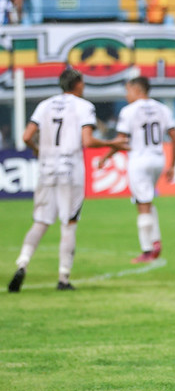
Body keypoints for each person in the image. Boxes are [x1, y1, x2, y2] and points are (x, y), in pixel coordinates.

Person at [8, 68, 125, 292]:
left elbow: (26, 136)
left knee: (40, 221)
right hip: (70, 168)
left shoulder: (45, 105)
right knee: (69, 223)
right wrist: (113, 143)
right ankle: (63, 278)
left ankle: (22, 262)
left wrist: (38, 149)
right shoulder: (83, 106)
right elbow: (88, 141)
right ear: (78, 84)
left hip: (46, 168)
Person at [98, 77, 175, 263]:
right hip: (158, 159)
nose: (126, 95)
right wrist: (173, 164)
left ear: (137, 90)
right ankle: (155, 240)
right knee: (147, 199)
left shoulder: (129, 111)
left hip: (139, 160)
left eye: (128, 91)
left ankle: (147, 250)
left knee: (142, 204)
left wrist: (106, 156)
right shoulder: (163, 108)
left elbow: (121, 140)